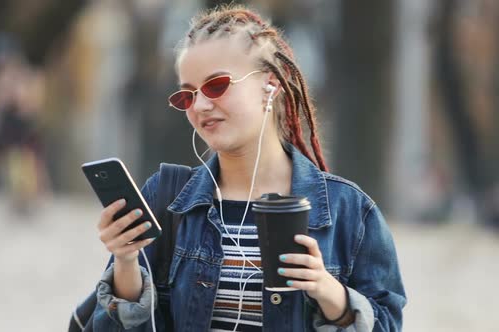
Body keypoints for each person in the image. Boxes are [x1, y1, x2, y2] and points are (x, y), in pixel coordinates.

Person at [81, 5, 406, 331]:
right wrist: (125, 261)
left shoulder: (350, 212)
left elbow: (389, 323)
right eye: (187, 95)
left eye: (216, 85)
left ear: (271, 84)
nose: (201, 105)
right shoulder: (165, 200)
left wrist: (330, 295)